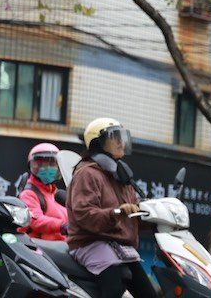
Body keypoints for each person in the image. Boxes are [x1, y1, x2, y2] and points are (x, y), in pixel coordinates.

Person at [67, 118, 155, 298]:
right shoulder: (87, 173)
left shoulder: (120, 176)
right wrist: (117, 213)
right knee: (114, 290)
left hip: (120, 246)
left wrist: (154, 216)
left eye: (121, 136)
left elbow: (132, 214)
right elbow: (84, 214)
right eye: (113, 136)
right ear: (97, 143)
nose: (119, 142)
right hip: (91, 242)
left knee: (148, 293)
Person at [19, 143, 69, 241]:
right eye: (42, 164)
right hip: (41, 250)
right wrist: (63, 225)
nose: (48, 168)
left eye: (52, 164)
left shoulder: (57, 194)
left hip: (63, 247)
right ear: (32, 165)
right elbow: (36, 221)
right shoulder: (29, 193)